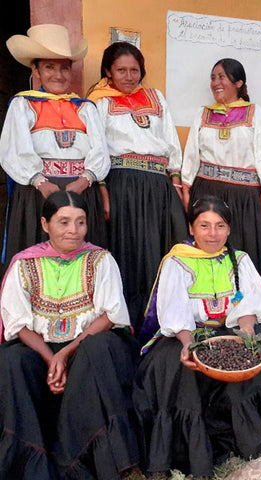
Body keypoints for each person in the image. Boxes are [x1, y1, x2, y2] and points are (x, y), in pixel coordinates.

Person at [134, 196, 261, 478]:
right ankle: (183, 454)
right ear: (192, 228)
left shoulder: (240, 261)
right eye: (204, 225)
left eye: (220, 226)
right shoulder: (177, 262)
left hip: (230, 329)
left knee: (245, 363)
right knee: (178, 368)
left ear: (229, 230)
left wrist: (246, 331)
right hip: (187, 334)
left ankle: (245, 442)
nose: (212, 233)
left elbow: (248, 303)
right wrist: (189, 345)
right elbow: (175, 311)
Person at [0, 191, 139, 480]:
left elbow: (111, 315)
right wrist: (51, 358)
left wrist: (65, 353)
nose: (73, 231)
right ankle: (29, 463)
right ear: (44, 224)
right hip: (41, 350)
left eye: (80, 222)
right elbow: (18, 324)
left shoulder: (100, 260)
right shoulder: (24, 264)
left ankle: (85, 460)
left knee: (97, 348)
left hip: (85, 347)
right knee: (11, 361)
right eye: (63, 222)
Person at [87, 41, 188, 333]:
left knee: (164, 250)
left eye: (134, 70)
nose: (129, 76)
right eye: (121, 70)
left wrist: (176, 182)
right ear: (108, 71)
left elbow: (171, 140)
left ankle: (162, 323)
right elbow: (97, 148)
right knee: (129, 250)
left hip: (159, 185)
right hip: (123, 185)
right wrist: (103, 190)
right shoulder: (99, 103)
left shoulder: (156, 98)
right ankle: (128, 326)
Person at [0, 24, 109, 267]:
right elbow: (14, 151)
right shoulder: (23, 104)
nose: (58, 75)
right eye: (49, 67)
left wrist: (82, 183)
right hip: (38, 192)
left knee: (81, 259)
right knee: (37, 258)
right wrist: (42, 183)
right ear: (35, 69)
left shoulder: (85, 108)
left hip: (81, 190)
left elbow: (100, 151)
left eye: (64, 68)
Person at [181, 58, 261, 279]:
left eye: (222, 77)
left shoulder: (255, 113)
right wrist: (186, 186)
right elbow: (191, 152)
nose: (216, 82)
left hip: (244, 196)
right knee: (207, 245)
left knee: (246, 249)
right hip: (207, 191)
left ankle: (246, 302)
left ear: (238, 83)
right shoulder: (203, 114)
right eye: (213, 77)